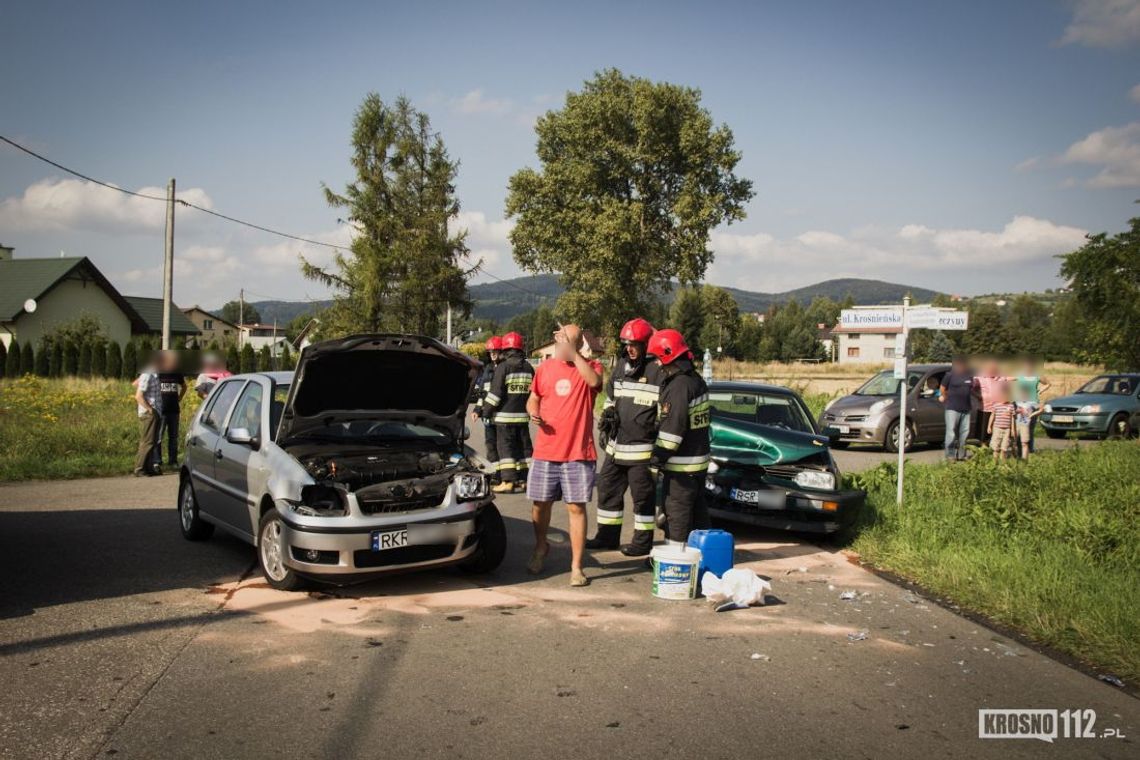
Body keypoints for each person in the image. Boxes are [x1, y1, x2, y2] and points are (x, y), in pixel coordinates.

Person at [525, 324, 604, 586]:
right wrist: (533, 410)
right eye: (559, 342)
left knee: (576, 508)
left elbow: (595, 382)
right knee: (540, 505)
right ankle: (540, 547)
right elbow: (534, 397)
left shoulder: (590, 367)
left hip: (578, 453)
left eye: (566, 343)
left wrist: (576, 355)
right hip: (546, 450)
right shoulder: (545, 368)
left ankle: (577, 567)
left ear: (578, 344)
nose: (561, 348)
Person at [587, 317, 660, 556]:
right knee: (607, 490)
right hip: (616, 446)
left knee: (642, 498)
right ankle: (607, 537)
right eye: (626, 343)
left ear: (647, 345)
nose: (629, 348)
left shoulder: (658, 370)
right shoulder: (621, 365)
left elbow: (665, 410)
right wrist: (608, 411)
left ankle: (642, 542)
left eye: (635, 344)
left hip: (642, 449)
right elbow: (610, 395)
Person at [647, 328, 711, 547]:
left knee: (677, 514)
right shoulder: (696, 380)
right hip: (698, 465)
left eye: (656, 358)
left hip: (681, 468)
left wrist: (656, 459)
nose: (656, 364)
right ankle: (700, 558)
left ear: (667, 356)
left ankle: (675, 562)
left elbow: (672, 432)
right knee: (698, 514)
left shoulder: (679, 386)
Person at [483, 331, 534, 494]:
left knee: (506, 450)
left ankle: (508, 481)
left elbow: (495, 394)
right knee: (524, 450)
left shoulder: (504, 367)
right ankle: (526, 480)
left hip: (504, 419)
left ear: (505, 349)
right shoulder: (529, 367)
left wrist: (486, 412)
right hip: (523, 419)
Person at [471, 336, 503, 484]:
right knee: (490, 445)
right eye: (491, 352)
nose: (493, 355)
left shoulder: (505, 368)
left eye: (495, 351)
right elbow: (483, 394)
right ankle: (495, 474)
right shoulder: (487, 370)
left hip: (502, 415)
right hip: (487, 416)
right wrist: (477, 409)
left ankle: (507, 475)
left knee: (502, 446)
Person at [939, 355, 976, 461]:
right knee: (951, 433)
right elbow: (942, 388)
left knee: (964, 433)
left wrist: (979, 397)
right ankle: (950, 455)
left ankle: (962, 455)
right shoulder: (949, 375)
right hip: (952, 408)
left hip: (966, 408)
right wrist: (945, 397)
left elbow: (971, 389)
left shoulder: (969, 376)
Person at [155, 351, 186, 468]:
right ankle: (157, 461)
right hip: (161, 410)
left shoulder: (177, 373)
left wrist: (180, 397)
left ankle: (173, 461)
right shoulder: (158, 373)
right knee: (158, 437)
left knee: (173, 437)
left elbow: (184, 386)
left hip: (174, 410)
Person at [1012, 358, 1050, 453]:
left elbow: (1048, 384)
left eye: (1029, 366)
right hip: (1020, 404)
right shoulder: (1019, 375)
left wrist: (1041, 391)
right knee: (1019, 426)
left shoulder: (1037, 376)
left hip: (1033, 403)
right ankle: (1019, 448)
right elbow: (1008, 379)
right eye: (1025, 366)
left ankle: (1030, 448)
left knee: (1030, 427)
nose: (1027, 368)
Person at [133, 356, 163, 476]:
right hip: (149, 413)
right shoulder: (148, 374)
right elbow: (138, 396)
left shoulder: (155, 374)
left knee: (153, 441)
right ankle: (139, 468)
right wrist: (150, 409)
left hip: (156, 411)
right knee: (147, 442)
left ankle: (149, 467)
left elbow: (136, 384)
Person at [973, 359, 1003, 446]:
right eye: (991, 369)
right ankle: (983, 449)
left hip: (998, 410)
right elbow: (971, 389)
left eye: (995, 369)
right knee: (983, 433)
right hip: (985, 409)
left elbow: (1006, 390)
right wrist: (978, 396)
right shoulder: (980, 378)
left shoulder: (1001, 378)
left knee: (995, 432)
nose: (993, 370)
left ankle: (994, 449)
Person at [987, 383, 1015, 461]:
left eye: (1006, 395)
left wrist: (1012, 429)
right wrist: (989, 426)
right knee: (996, 446)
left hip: (1007, 430)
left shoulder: (1011, 406)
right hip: (997, 428)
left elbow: (1012, 418)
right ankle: (994, 461)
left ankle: (1003, 463)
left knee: (1004, 447)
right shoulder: (996, 405)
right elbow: (992, 416)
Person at [1013, 385, 1042, 460]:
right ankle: (1015, 457)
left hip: (1025, 425)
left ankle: (1024, 460)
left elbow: (1041, 409)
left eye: (1025, 393)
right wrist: (1017, 411)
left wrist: (1032, 415)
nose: (1023, 395)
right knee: (1014, 442)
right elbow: (1010, 411)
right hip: (1016, 425)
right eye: (1022, 393)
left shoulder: (1032, 402)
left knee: (1024, 443)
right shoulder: (1016, 402)